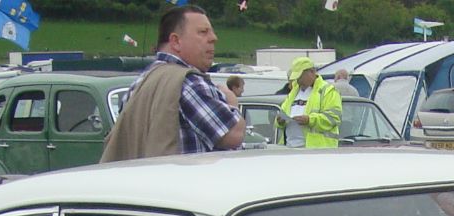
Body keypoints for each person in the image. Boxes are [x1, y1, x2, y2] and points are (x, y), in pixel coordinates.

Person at [101, 5, 244, 161]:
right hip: (185, 182)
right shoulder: (188, 81)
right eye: (203, 32)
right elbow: (233, 135)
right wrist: (231, 99)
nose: (213, 38)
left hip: (143, 181)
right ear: (175, 41)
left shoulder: (140, 83)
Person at [279, 56, 341, 148]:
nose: (298, 79)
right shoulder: (294, 91)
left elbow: (333, 118)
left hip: (316, 150)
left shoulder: (327, 90)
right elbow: (283, 112)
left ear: (312, 72)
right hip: (290, 147)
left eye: (300, 76)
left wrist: (309, 120)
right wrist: (280, 121)